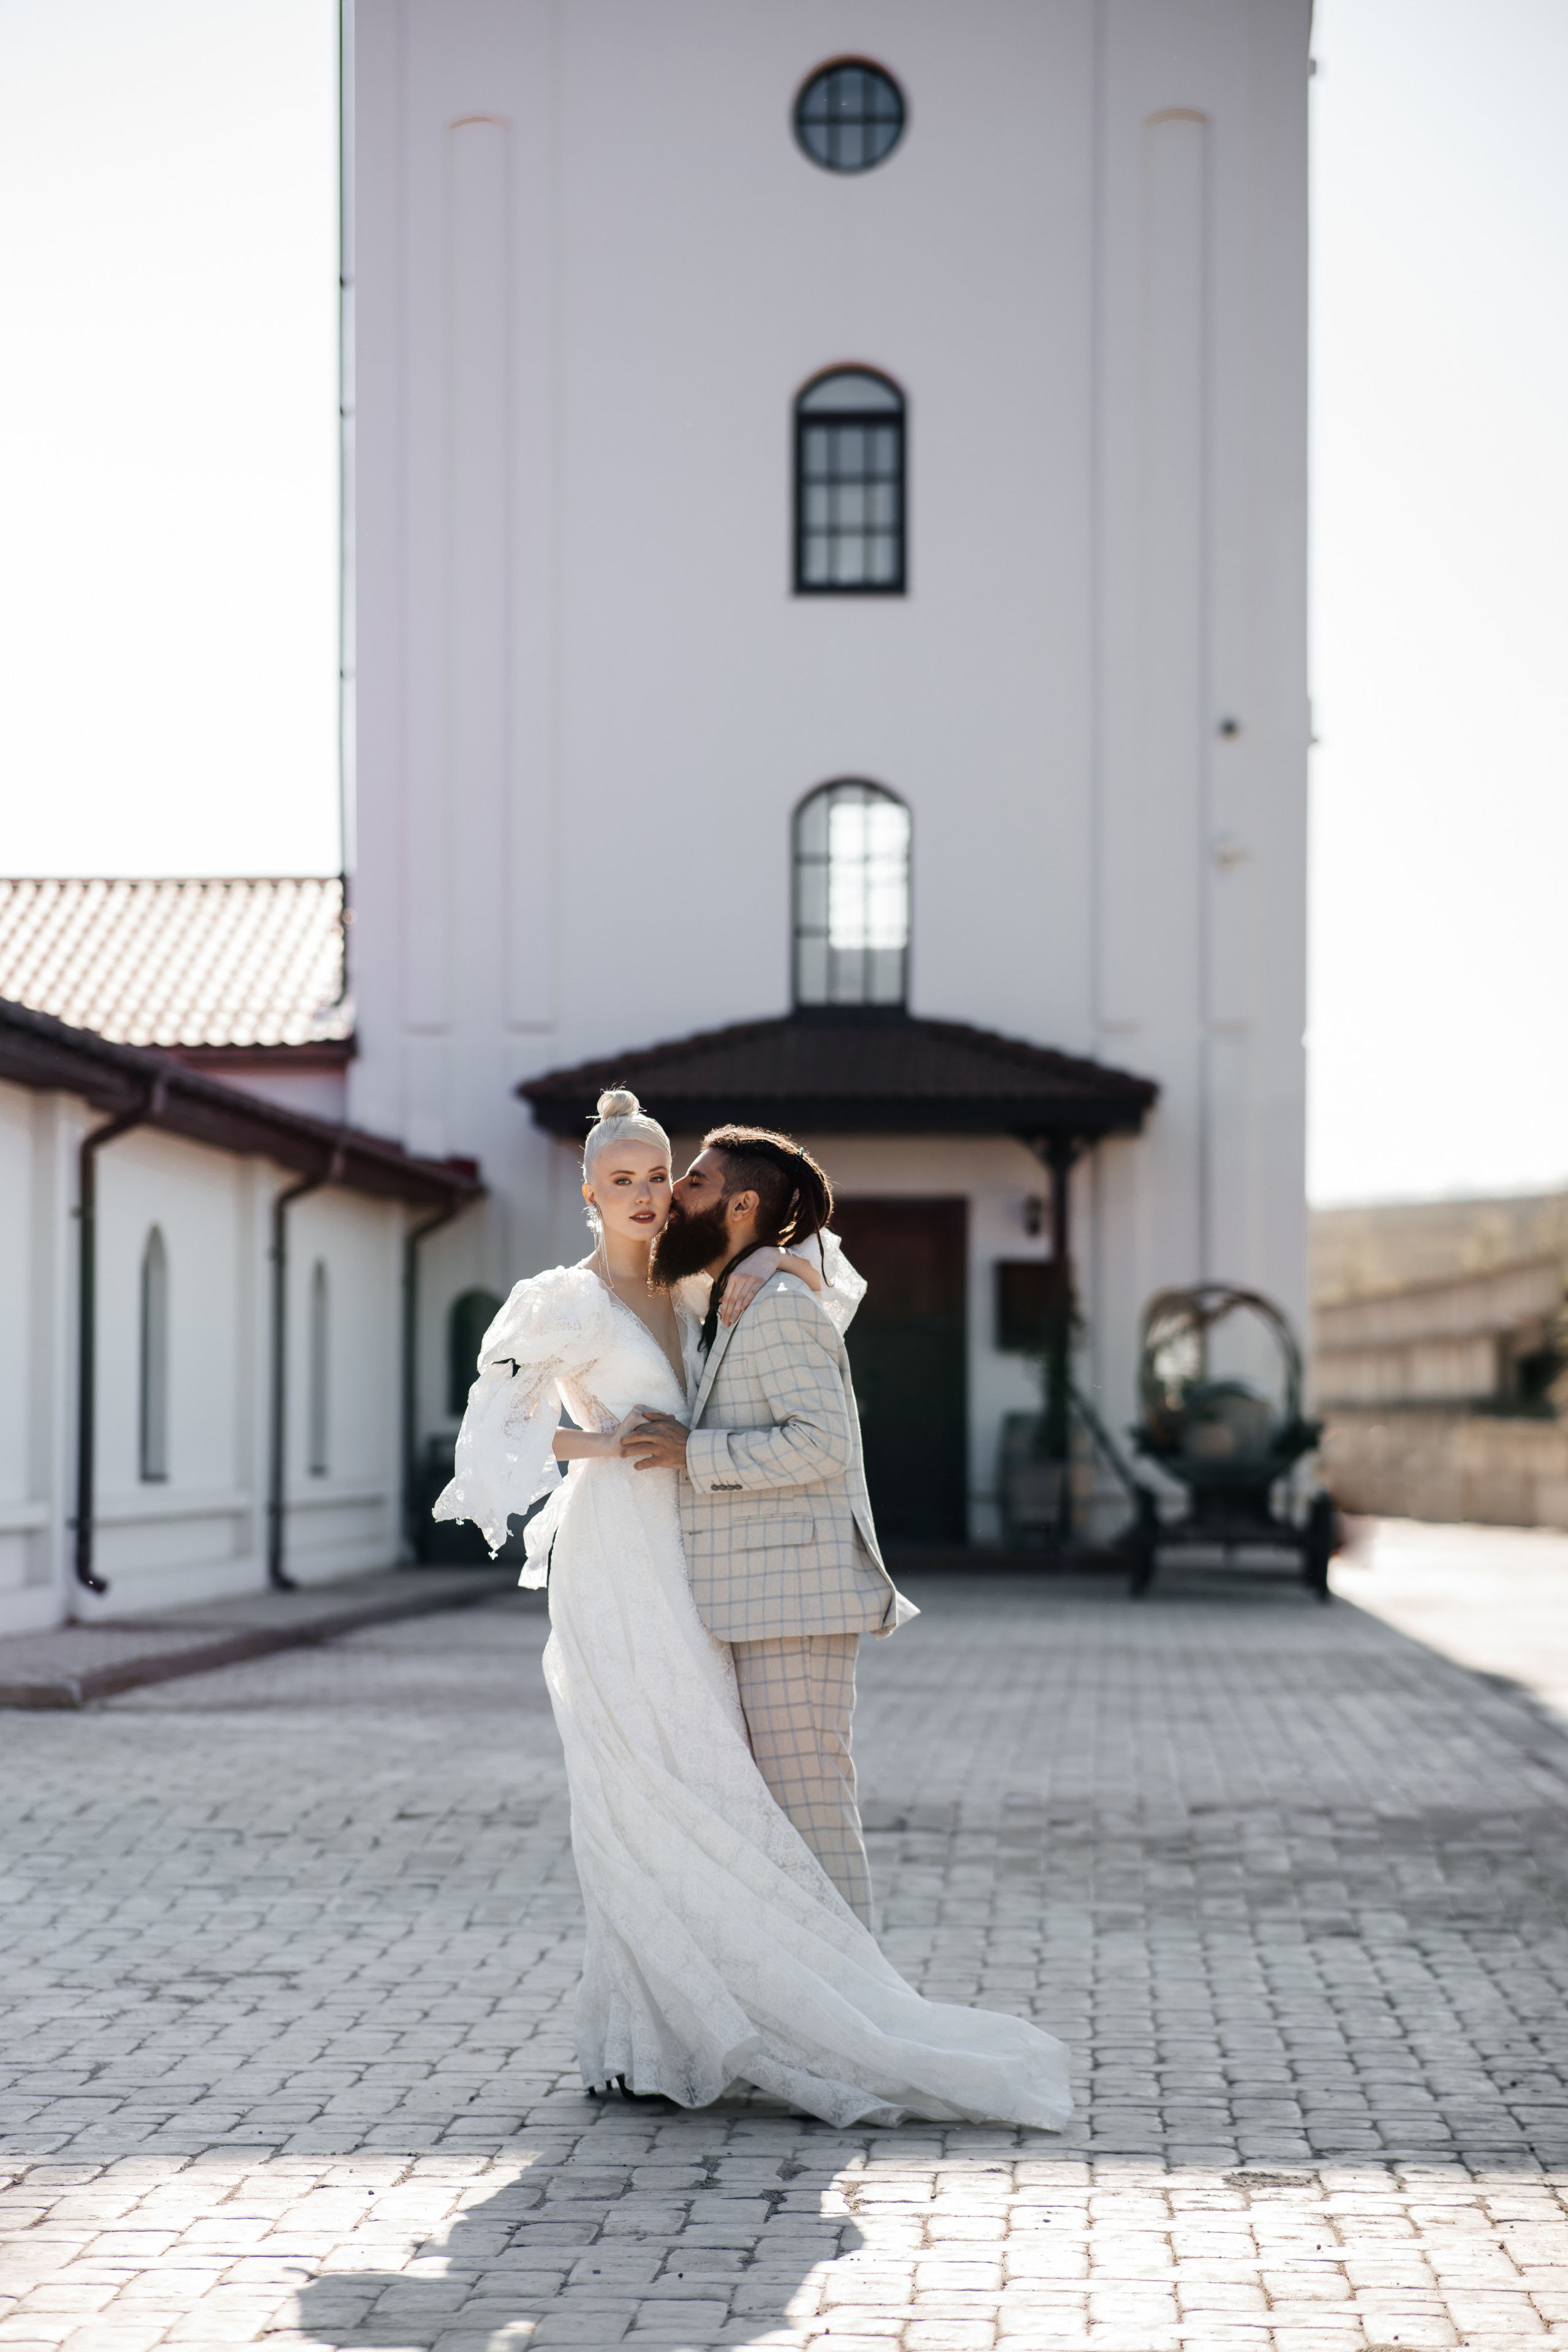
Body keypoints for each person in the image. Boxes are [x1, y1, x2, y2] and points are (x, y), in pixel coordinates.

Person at [434, 1087, 1071, 2130]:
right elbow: (497, 1443)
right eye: (625, 1181)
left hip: (707, 1556)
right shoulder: (565, 1302)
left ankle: (757, 2009)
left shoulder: (700, 1285)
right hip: (619, 1553)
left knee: (718, 1777)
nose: (646, 1196)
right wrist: (613, 1443)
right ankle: (650, 2033)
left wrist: (781, 1259)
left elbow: (820, 1288)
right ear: (587, 1191)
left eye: (660, 1176)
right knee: (640, 1779)